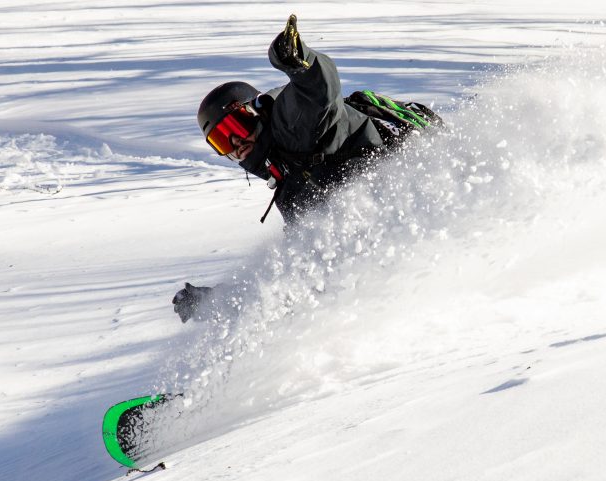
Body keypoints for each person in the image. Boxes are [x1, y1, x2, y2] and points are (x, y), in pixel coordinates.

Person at [173, 13, 441, 323]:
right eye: (221, 140)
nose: (236, 143)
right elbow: (293, 273)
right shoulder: (289, 191)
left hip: (419, 172)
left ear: (253, 112)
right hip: (404, 224)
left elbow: (318, 90)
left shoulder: (289, 125)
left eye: (236, 125)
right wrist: (214, 301)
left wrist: (299, 62)